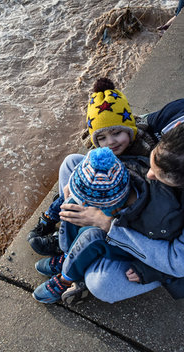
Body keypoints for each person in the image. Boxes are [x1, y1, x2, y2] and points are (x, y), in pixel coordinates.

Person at [54, 98, 184, 304]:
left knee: (101, 283)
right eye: (154, 161)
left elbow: (179, 260)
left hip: (168, 234)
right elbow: (130, 131)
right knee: (72, 164)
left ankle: (82, 257)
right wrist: (84, 175)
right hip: (145, 199)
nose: (150, 175)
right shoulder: (178, 113)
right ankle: (76, 250)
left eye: (160, 175)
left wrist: (108, 225)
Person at [32, 147, 184, 304]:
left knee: (91, 237)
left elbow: (172, 258)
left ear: (106, 207)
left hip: (136, 244)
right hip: (119, 214)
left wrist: (147, 272)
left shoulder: (160, 220)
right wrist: (74, 191)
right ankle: (67, 256)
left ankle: (66, 278)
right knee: (73, 203)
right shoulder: (124, 176)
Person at [28, 78, 156, 256]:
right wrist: (73, 184)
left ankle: (71, 238)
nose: (110, 142)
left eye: (117, 133)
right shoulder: (105, 148)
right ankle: (65, 216)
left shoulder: (144, 151)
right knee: (71, 162)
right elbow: (89, 160)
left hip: (117, 205)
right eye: (101, 138)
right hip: (102, 190)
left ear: (130, 128)